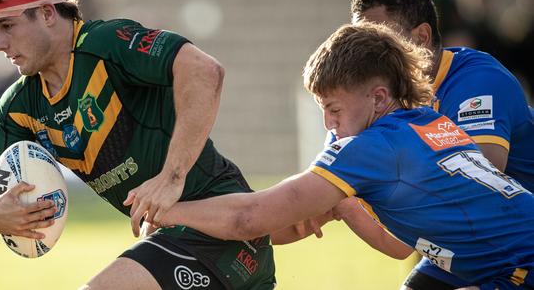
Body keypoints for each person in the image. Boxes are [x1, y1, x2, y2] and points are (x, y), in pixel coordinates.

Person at [0, 0, 277, 290]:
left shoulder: (106, 44)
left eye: (7, 26)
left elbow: (204, 71)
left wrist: (171, 178)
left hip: (221, 232)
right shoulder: (22, 103)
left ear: (47, 13)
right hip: (173, 241)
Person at [141, 22, 534, 289]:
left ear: (378, 97)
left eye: (334, 109)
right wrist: (345, 206)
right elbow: (401, 245)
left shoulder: (371, 150)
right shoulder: (429, 123)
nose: (329, 125)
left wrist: (168, 210)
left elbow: (249, 218)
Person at [349, 0, 534, 290]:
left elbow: (476, 186)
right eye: (360, 44)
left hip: (519, 239)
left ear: (421, 37)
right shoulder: (380, 100)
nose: (366, 59)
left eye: (380, 44)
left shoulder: (477, 80)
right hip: (473, 239)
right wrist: (340, 200)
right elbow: (400, 246)